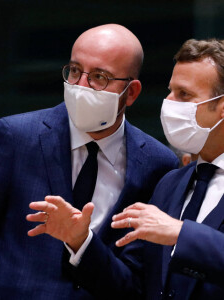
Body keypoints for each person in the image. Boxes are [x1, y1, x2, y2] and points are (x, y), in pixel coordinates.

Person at [0, 24, 178, 299]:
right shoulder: (14, 138)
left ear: (131, 92)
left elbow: (136, 283)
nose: (80, 86)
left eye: (99, 77)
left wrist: (82, 244)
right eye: (73, 70)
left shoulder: (157, 163)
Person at [27, 38, 224, 299]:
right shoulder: (170, 184)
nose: (169, 102)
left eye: (184, 94)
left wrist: (180, 234)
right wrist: (81, 241)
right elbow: (131, 288)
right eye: (170, 91)